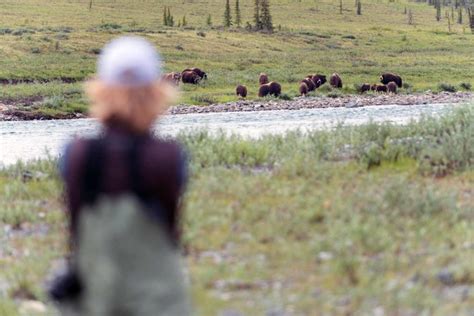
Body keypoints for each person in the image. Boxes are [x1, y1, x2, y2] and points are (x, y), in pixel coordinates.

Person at [53, 36, 191, 316]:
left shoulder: (77, 154)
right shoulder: (169, 157)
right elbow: (171, 229)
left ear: (100, 91)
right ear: (158, 92)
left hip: (94, 294)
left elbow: (75, 228)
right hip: (156, 296)